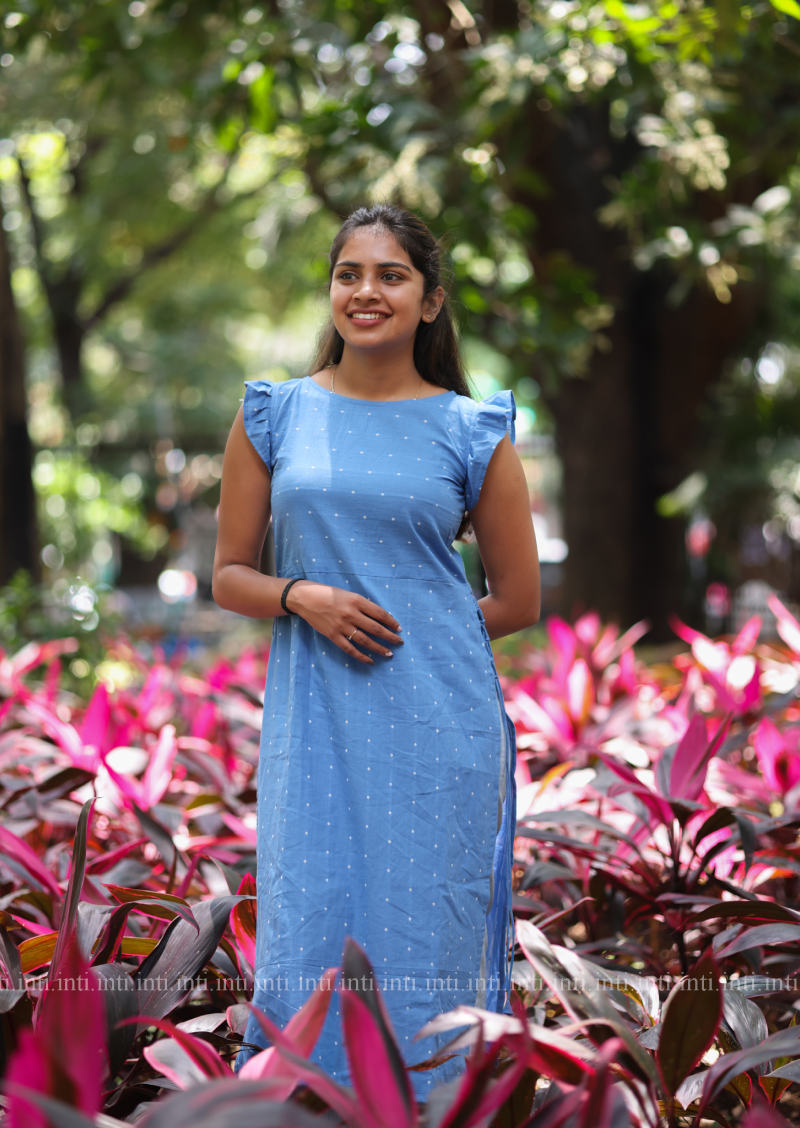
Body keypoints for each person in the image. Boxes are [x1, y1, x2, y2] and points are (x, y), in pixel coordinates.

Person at [212, 204, 540, 1092]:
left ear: (429, 302)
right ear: (330, 291)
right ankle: (302, 1099)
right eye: (349, 273)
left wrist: (426, 636)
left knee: (422, 920)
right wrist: (301, 597)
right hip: (315, 719)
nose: (366, 291)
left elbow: (517, 596)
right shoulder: (275, 415)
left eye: (391, 275)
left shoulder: (472, 431)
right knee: (309, 911)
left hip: (439, 725)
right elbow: (228, 574)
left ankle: (429, 1100)